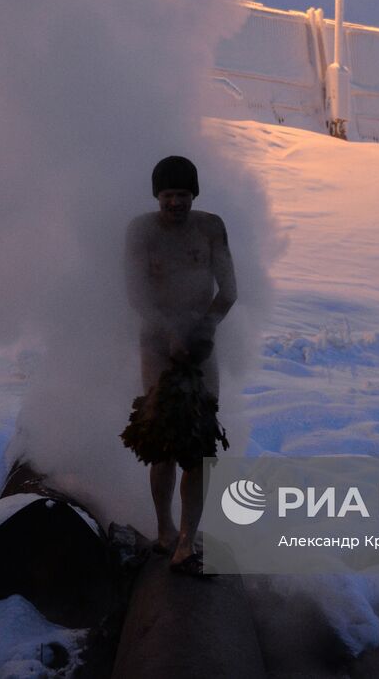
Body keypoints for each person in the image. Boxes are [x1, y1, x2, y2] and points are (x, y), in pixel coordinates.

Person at [120, 155, 237, 576]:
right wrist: (169, 332)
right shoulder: (142, 231)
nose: (176, 203)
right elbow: (136, 293)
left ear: (194, 195)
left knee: (199, 442)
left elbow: (229, 290)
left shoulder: (210, 227)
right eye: (168, 195)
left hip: (200, 342)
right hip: (157, 343)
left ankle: (188, 540)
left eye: (183, 195)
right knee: (163, 440)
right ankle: (165, 530)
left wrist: (202, 330)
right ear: (157, 196)